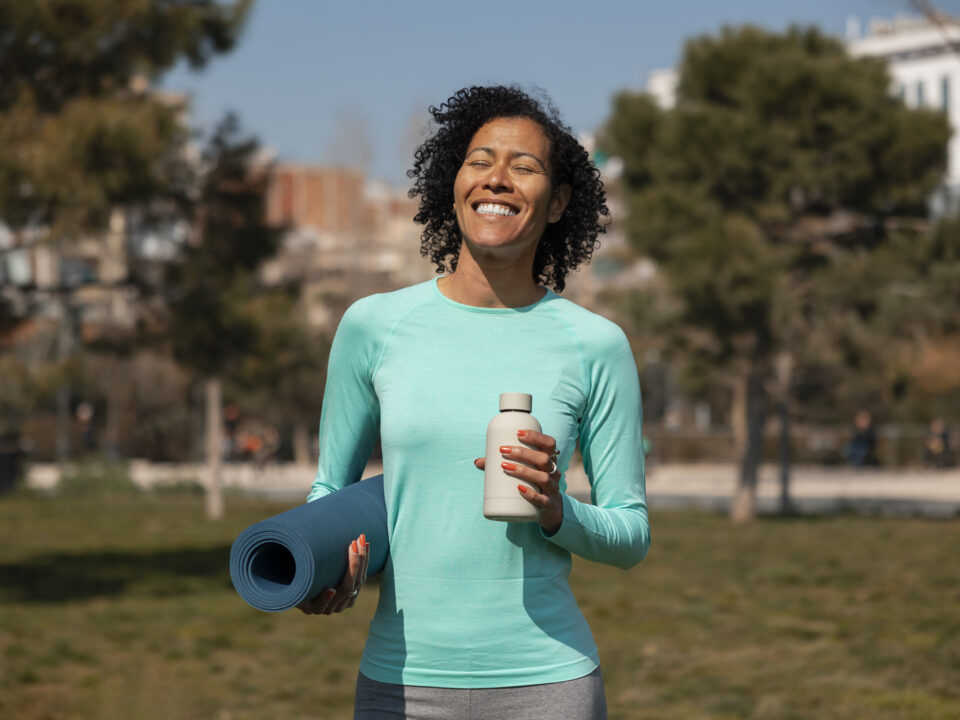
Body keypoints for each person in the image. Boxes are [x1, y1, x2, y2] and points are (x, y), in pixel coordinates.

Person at [298, 85, 650, 720]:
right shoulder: (373, 326)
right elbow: (331, 491)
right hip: (399, 683)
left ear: (559, 202)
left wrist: (554, 510)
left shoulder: (596, 344)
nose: (498, 179)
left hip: (549, 686)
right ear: (452, 183)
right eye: (480, 160)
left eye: (525, 166)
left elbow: (630, 533)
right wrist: (330, 567)